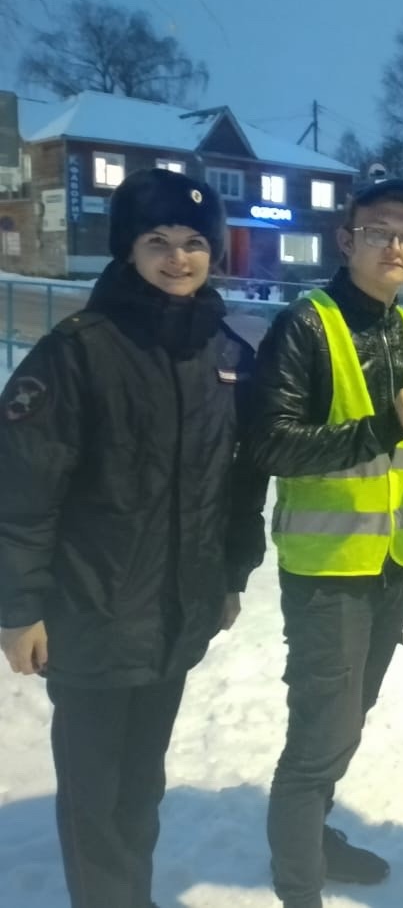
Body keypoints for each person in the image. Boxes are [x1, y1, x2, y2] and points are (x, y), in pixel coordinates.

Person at [0, 167, 268, 908]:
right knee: (96, 797)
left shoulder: (224, 352)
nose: (177, 257)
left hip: (177, 615)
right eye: (157, 241)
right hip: (91, 613)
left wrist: (231, 578)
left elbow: (240, 484)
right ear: (128, 250)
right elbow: (22, 490)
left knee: (141, 786)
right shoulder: (78, 351)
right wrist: (19, 609)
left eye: (192, 242)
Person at [248, 178, 403, 908]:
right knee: (318, 733)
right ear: (347, 239)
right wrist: (383, 426)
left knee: (347, 722)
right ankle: (299, 883)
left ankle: (315, 837)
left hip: (392, 564)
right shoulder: (307, 325)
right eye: (379, 230)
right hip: (328, 569)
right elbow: (271, 443)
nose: (394, 245)